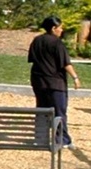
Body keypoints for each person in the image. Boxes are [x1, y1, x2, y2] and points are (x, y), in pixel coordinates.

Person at [27, 15, 80, 147]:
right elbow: (65, 63)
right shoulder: (57, 43)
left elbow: (33, 59)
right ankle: (62, 140)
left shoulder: (37, 41)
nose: (61, 30)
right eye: (60, 27)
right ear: (53, 28)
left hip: (39, 81)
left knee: (42, 109)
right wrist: (75, 77)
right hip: (55, 82)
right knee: (59, 111)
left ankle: (40, 138)